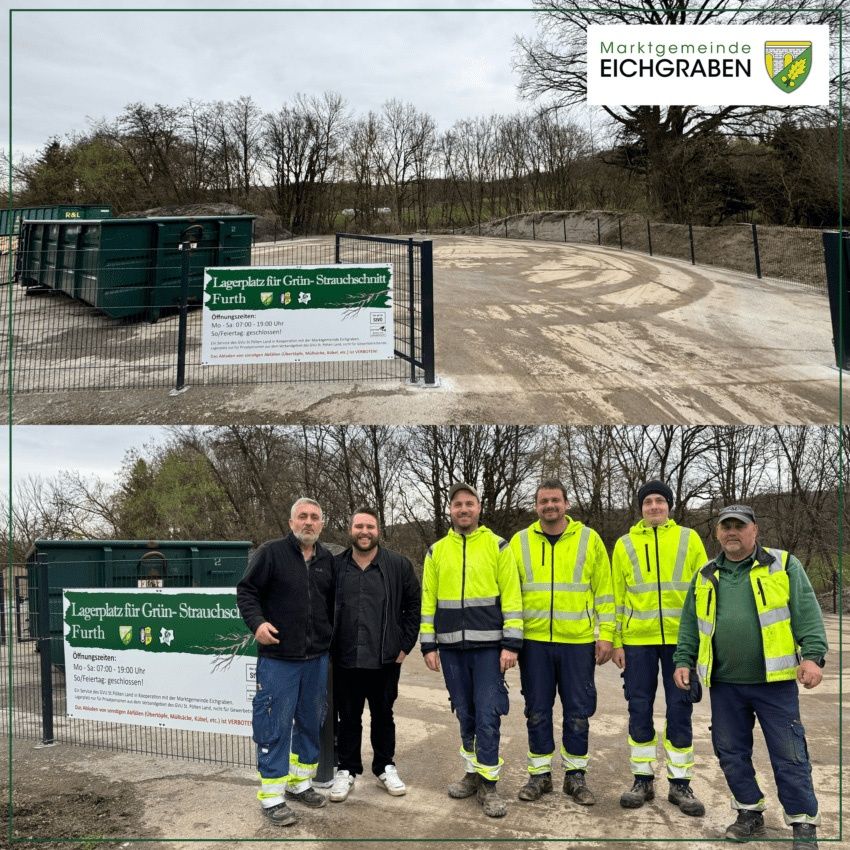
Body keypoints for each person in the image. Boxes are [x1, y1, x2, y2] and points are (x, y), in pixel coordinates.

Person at [673, 504, 827, 849]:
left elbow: (807, 614)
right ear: (717, 533)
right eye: (725, 526)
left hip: (774, 683)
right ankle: (749, 813)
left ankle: (803, 824)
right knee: (729, 751)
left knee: (789, 754)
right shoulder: (705, 574)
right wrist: (684, 660)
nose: (732, 532)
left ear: (754, 530)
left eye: (739, 526)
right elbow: (689, 626)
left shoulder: (783, 565)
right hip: (725, 684)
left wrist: (814, 658)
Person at [420, 482, 523, 818]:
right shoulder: (436, 551)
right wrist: (428, 644)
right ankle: (472, 773)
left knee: (488, 713)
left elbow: (512, 596)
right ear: (450, 510)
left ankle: (490, 784)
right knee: (464, 713)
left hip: (490, 649)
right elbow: (429, 602)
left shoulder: (498, 546)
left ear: (479, 508)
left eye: (469, 504)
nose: (463, 510)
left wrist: (511, 642)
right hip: (450, 649)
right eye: (457, 505)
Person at [509, 479, 614, 806]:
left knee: (578, 712)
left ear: (566, 503)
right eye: (544, 501)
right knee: (537, 711)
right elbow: (510, 593)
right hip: (534, 644)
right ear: (536, 505)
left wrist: (606, 634)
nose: (550, 506)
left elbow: (605, 592)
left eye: (555, 500)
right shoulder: (519, 542)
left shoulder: (589, 539)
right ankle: (540, 776)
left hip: (578, 643)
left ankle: (575, 776)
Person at [610, 480, 708, 816]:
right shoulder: (624, 545)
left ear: (669, 506)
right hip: (637, 641)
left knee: (680, 709)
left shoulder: (688, 538)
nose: (654, 506)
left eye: (660, 501)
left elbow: (703, 592)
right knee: (639, 708)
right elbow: (617, 597)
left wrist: (699, 641)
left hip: (680, 643)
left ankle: (680, 784)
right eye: (648, 501)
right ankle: (642, 780)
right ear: (640, 507)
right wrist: (618, 640)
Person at [237, 497, 335, 827]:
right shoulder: (270, 553)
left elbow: (333, 604)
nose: (309, 522)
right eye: (302, 517)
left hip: (316, 660)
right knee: (274, 726)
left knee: (310, 722)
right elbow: (246, 592)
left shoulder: (327, 560)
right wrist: (257, 624)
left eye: (315, 517)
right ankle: (272, 796)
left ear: (322, 524)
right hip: (279, 659)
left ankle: (299, 783)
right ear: (292, 522)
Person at [329, 507, 421, 803]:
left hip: (384, 660)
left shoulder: (398, 565)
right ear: (350, 530)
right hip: (345, 659)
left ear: (378, 530)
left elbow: (413, 608)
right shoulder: (335, 566)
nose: (364, 531)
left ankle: (385, 767)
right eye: (359, 526)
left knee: (383, 715)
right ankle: (347, 770)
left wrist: (404, 646)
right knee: (348, 718)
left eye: (370, 526)